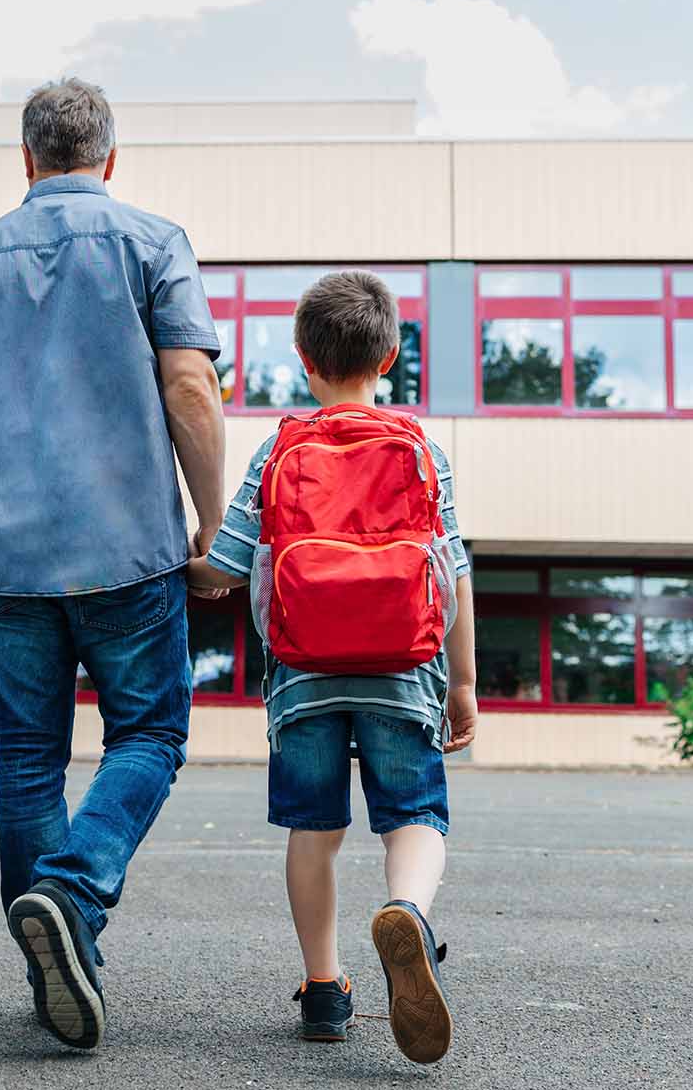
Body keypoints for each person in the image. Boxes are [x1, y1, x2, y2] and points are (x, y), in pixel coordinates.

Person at [0, 78, 226, 1051]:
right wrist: (213, 526)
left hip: (10, 562)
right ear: (110, 158)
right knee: (149, 733)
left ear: (26, 159)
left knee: (28, 761)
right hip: (129, 550)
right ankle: (72, 889)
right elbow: (188, 384)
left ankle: (55, 944)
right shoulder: (152, 241)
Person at [186, 271, 477, 1065]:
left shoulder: (279, 448)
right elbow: (451, 572)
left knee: (314, 833)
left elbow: (223, 568)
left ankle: (323, 989)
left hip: (303, 678)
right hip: (404, 669)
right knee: (415, 815)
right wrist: (463, 686)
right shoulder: (421, 448)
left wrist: (186, 557)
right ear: (388, 355)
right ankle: (408, 912)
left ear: (303, 358)